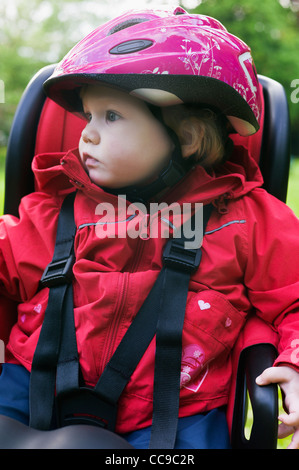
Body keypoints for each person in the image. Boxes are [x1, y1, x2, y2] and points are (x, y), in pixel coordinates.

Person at [0, 7, 299, 449]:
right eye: (88, 116)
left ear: (188, 135)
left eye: (112, 117)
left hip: (178, 416)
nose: (87, 136)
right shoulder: (53, 211)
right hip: (30, 392)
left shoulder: (246, 219)